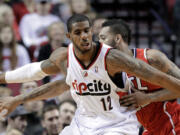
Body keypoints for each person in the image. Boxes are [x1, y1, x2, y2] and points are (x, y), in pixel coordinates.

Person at [1, 14, 180, 135]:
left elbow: (167, 81)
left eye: (90, 32)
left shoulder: (122, 59)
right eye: (79, 33)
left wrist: (149, 98)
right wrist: (8, 83)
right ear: (69, 36)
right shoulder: (66, 57)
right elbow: (44, 75)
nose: (88, 37)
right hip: (91, 124)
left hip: (137, 125)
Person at [99, 19, 180, 135]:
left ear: (117, 39)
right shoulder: (110, 72)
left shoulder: (151, 58)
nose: (99, 43)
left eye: (103, 38)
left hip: (174, 123)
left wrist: (149, 98)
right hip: (151, 129)